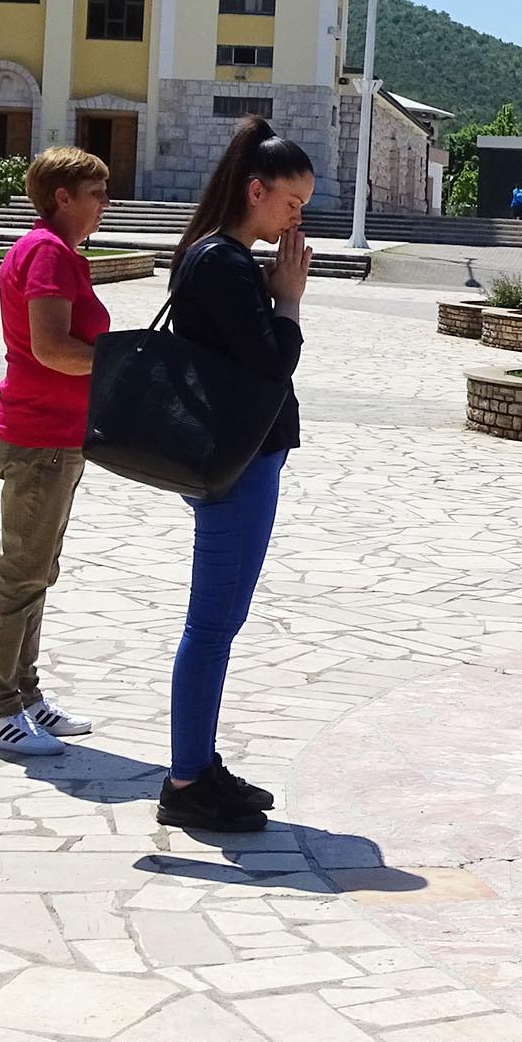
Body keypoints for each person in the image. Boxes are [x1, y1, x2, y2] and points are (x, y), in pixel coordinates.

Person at [157, 116, 315, 834]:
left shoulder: (221, 257)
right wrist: (288, 299)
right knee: (212, 623)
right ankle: (187, 777)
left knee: (220, 620)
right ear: (256, 190)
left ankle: (201, 765)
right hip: (236, 466)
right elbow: (268, 363)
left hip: (242, 460)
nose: (297, 219)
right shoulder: (220, 262)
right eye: (291, 202)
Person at [0, 146, 114, 760]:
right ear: (62, 197)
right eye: (96, 193)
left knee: (37, 572)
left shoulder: (61, 255)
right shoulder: (48, 254)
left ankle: (25, 694)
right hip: (38, 438)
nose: (104, 204)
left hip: (58, 437)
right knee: (20, 574)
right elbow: (52, 348)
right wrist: (125, 364)